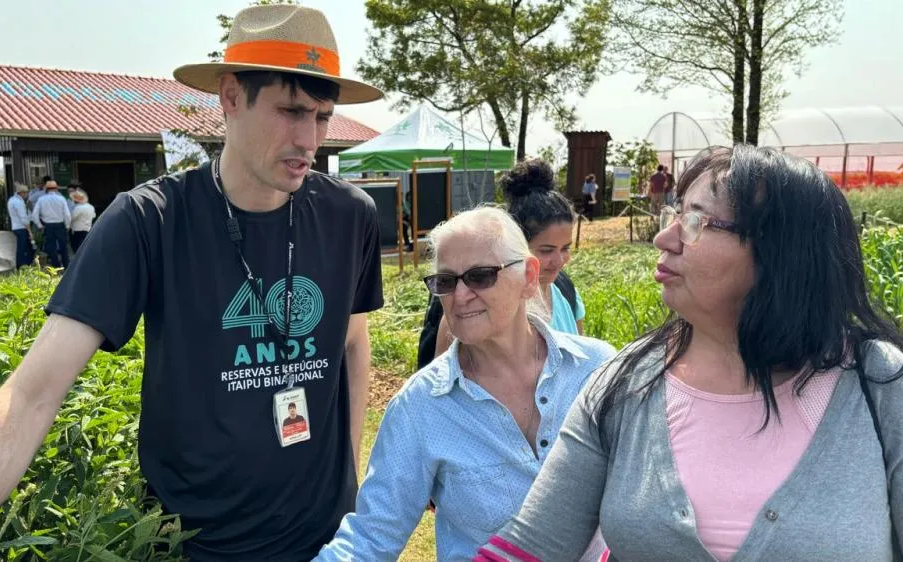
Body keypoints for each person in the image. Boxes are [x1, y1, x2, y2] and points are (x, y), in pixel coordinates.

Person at [0, 5, 385, 562]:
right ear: (231, 96)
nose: (310, 139)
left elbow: (352, 340)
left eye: (323, 117)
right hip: (191, 544)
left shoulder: (350, 215)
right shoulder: (148, 222)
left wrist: (349, 482)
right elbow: (32, 394)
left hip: (326, 537)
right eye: (290, 111)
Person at [475, 145, 903, 561]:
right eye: (675, 214)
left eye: (697, 220)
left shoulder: (879, 384)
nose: (665, 237)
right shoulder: (624, 382)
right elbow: (532, 544)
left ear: (782, 250)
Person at [314, 206, 616, 562]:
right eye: (445, 281)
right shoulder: (421, 406)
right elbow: (370, 536)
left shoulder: (597, 369)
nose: (459, 296)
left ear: (529, 277)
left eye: (480, 276)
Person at [418, 159, 588, 370]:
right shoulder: (471, 312)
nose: (559, 260)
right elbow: (439, 384)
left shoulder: (568, 294)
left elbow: (579, 364)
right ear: (516, 247)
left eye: (565, 248)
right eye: (546, 250)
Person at [30, 179, 71, 269]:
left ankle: (55, 266)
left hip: (48, 226)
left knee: (51, 247)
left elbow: (34, 215)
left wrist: (40, 225)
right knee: (63, 246)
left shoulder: (41, 199)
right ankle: (66, 265)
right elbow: (67, 214)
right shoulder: (61, 199)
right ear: (56, 188)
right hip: (60, 225)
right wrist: (67, 225)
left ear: (46, 189)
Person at [6, 182, 34, 269]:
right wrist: (30, 232)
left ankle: (24, 265)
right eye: (26, 193)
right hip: (22, 227)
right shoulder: (19, 202)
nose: (27, 194)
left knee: (24, 247)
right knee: (24, 248)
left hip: (16, 226)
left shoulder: (11, 200)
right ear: (21, 193)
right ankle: (22, 266)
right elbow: (24, 218)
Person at [68, 188, 95, 253]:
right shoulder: (91, 206)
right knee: (84, 246)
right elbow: (93, 215)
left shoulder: (78, 208)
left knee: (76, 246)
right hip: (87, 228)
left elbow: (72, 218)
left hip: (77, 229)